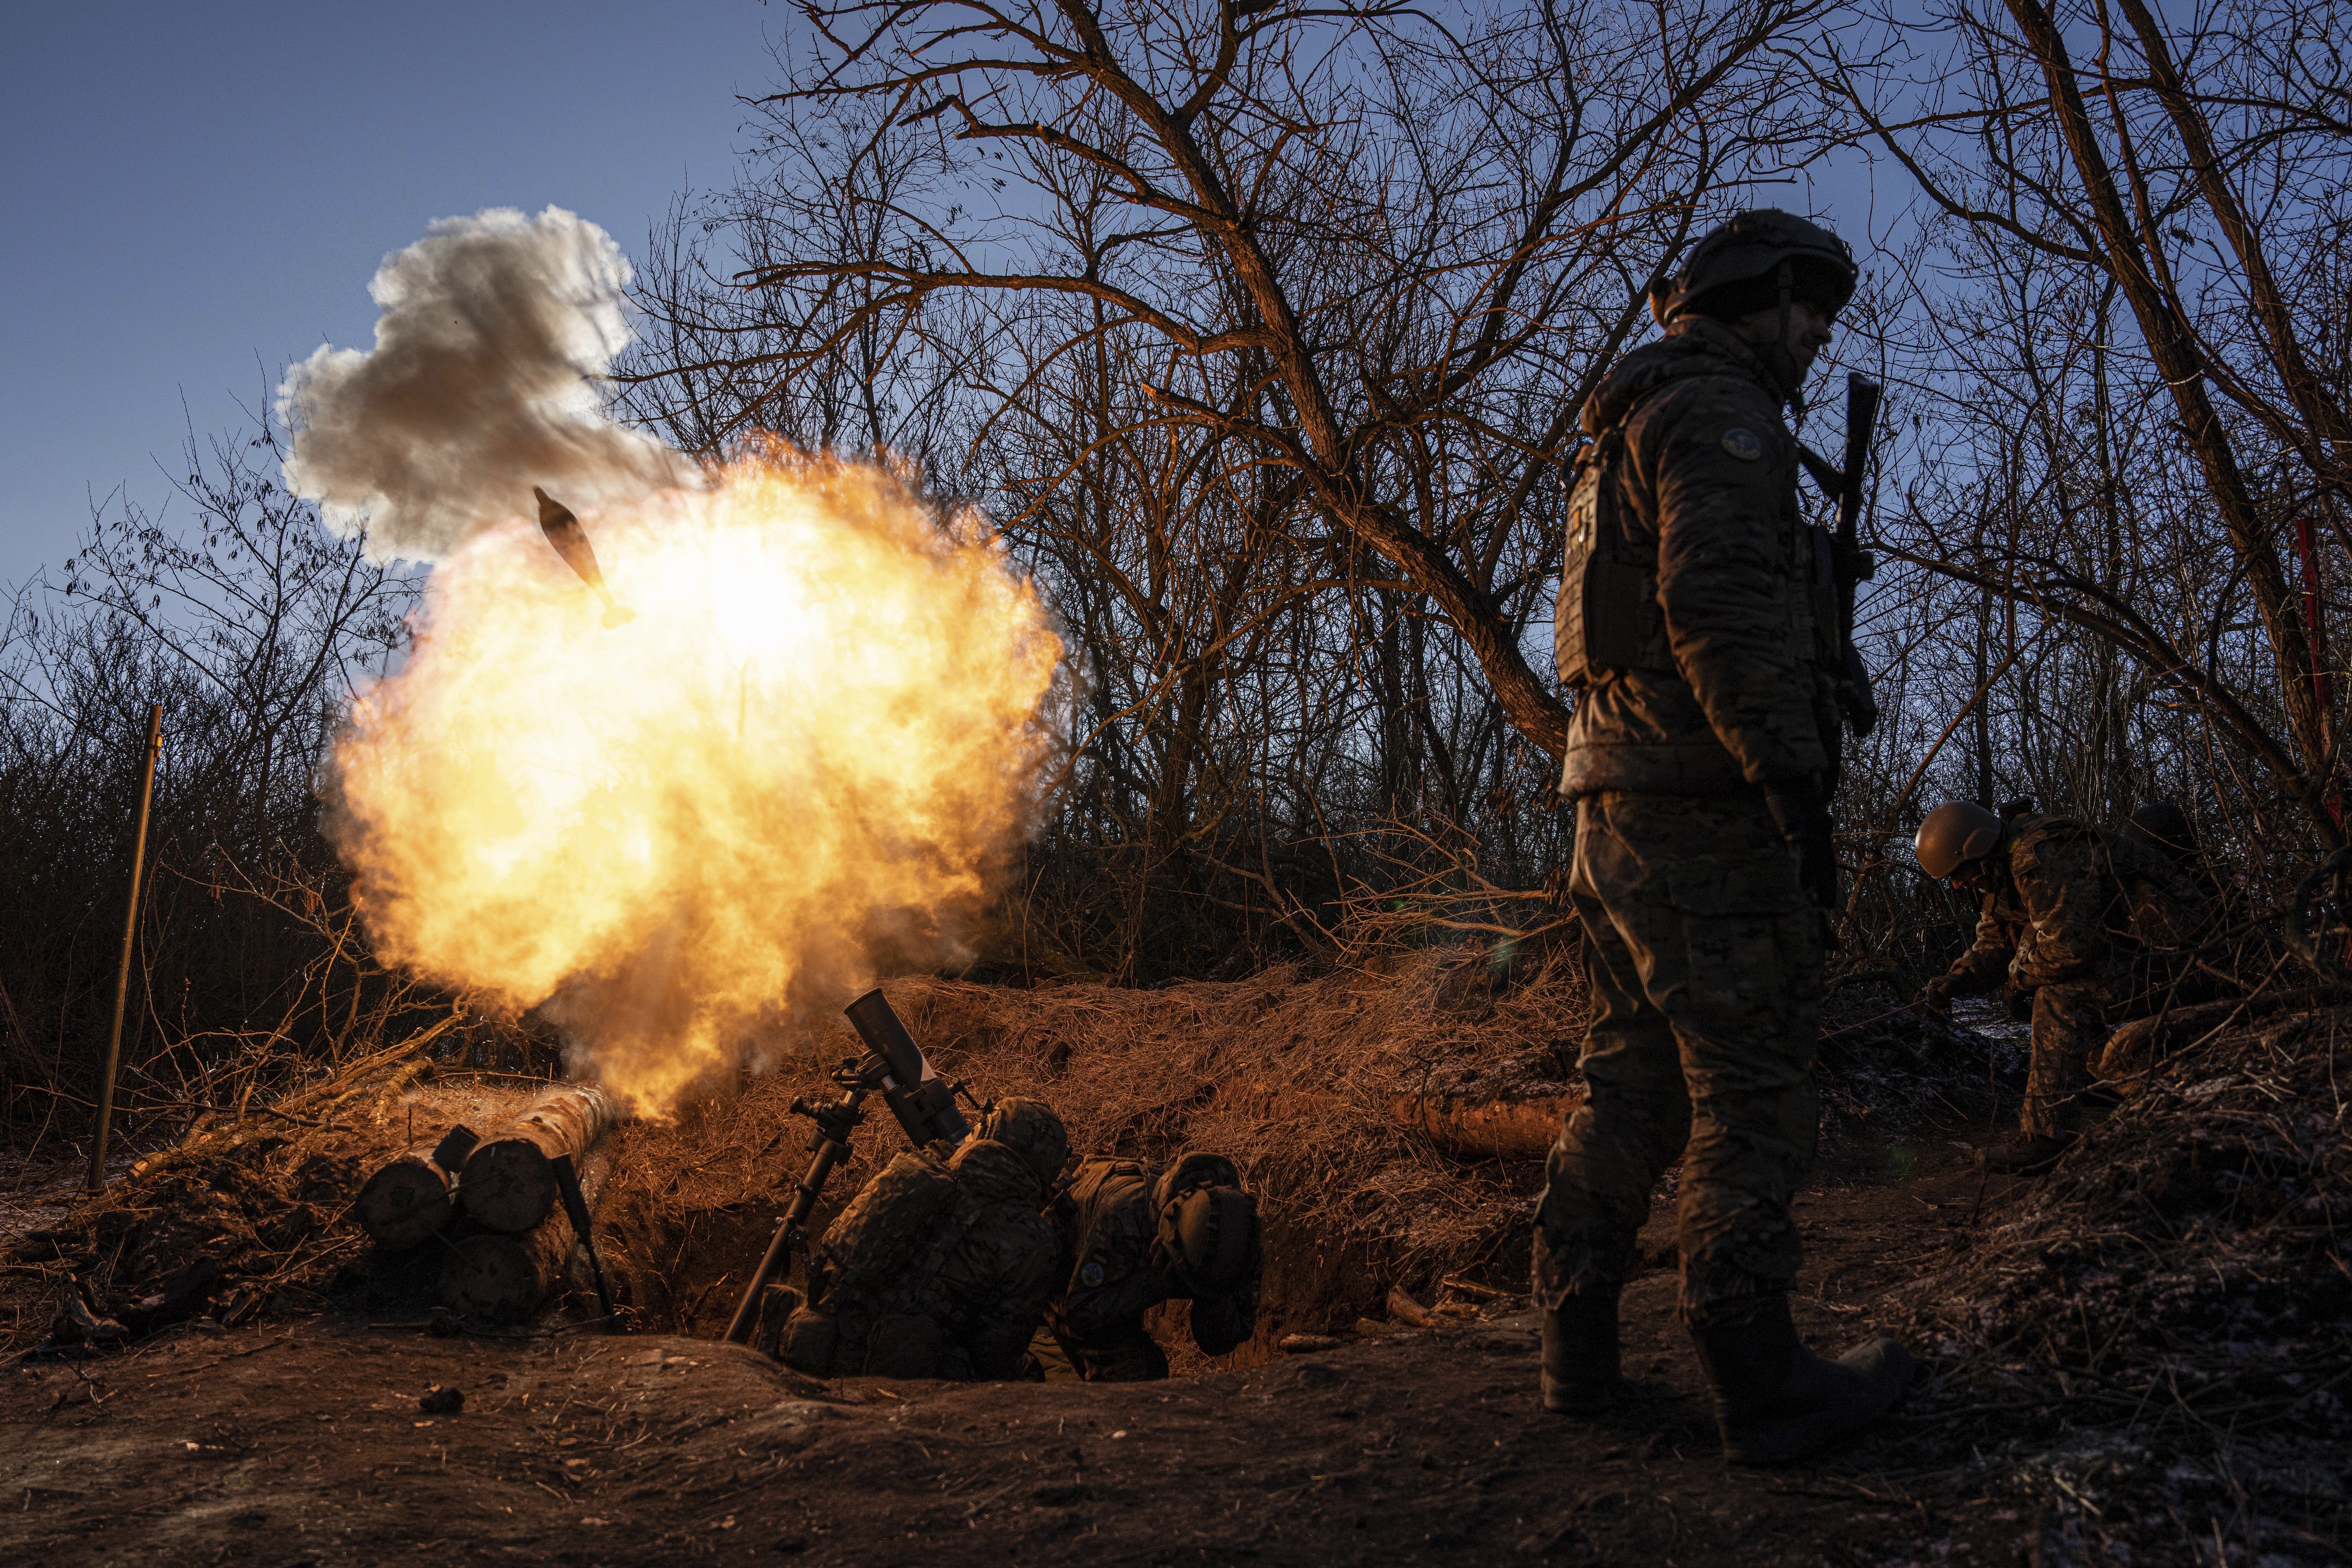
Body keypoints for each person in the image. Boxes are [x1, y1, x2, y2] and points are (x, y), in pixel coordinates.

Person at [1536, 207, 1912, 1465]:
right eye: (1805, 307)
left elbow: (1672, 608)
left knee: (1627, 1081)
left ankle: (1572, 1350)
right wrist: (1789, 787)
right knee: (1749, 1084)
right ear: (1751, 297)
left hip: (1607, 798)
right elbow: (1711, 613)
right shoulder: (1721, 415)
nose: (1815, 334)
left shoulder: (1625, 424)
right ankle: (1757, 1381)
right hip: (1699, 804)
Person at [1911, 798, 2211, 1172]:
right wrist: (1959, 980)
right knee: (2052, 999)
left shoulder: (2042, 856)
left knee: (2060, 999)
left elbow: (2070, 951)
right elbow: (1996, 942)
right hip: (2139, 951)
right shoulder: (1998, 871)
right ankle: (2157, 1087)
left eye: (1958, 872)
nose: (1956, 884)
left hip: (2185, 956)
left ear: (1976, 850)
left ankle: (2046, 1139)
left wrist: (2017, 981)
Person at [779, 1098, 1066, 1381]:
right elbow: (996, 1353)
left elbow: (828, 1261)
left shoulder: (915, 1169)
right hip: (907, 1384)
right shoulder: (1033, 1239)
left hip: (818, 1351)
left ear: (987, 1130)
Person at [1036, 1151, 1261, 1382]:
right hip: (1066, 1271)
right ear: (1163, 1243)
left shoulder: (1235, 1231)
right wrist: (1153, 1284)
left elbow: (1223, 1339)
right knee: (1137, 1375)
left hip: (1125, 1269)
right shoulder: (1121, 1215)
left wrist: (1217, 1298)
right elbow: (1080, 1311)